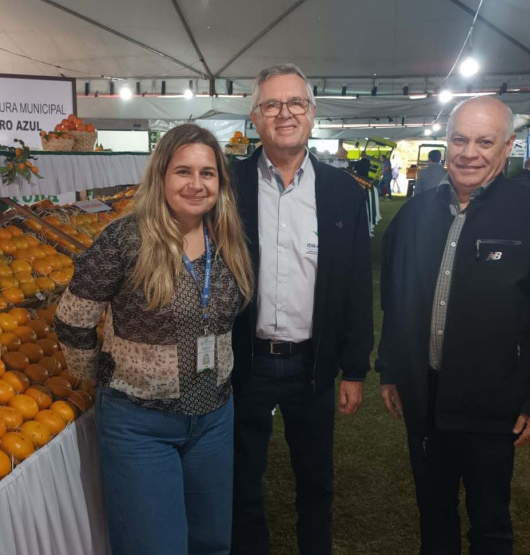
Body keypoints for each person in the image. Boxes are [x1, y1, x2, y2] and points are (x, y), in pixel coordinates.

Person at [377, 96, 530, 555]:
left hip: (493, 405)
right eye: (460, 139)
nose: (469, 152)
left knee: (490, 523)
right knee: (434, 514)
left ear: (507, 146)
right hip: (425, 398)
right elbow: (396, 295)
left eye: (484, 141)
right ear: (447, 143)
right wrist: (390, 367)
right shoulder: (416, 214)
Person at [55, 123, 253, 555]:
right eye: (183, 171)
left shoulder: (228, 239)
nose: (196, 184)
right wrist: (102, 376)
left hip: (213, 417)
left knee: (211, 544)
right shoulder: (125, 239)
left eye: (208, 173)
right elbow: (72, 319)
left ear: (220, 181)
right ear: (161, 174)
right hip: (140, 424)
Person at [230, 63, 373, 555]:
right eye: (271, 104)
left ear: (312, 114)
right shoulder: (228, 185)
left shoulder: (342, 193)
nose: (284, 113)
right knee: (241, 480)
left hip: (312, 364)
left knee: (316, 480)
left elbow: (357, 283)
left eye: (295, 104)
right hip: (243, 361)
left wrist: (354, 367)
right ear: (255, 117)